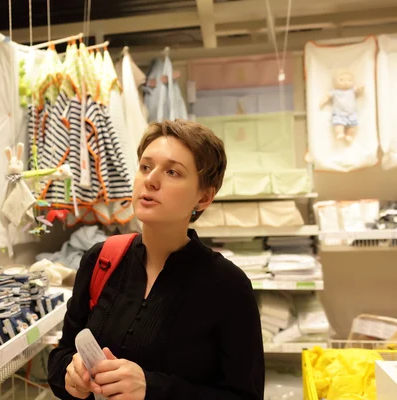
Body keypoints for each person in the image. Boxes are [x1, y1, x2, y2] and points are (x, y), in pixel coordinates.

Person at [48, 120, 264, 400]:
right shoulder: (100, 259)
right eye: (146, 167)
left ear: (204, 197)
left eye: (173, 172)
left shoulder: (228, 287)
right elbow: (61, 355)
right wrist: (70, 375)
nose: (151, 180)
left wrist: (151, 389)